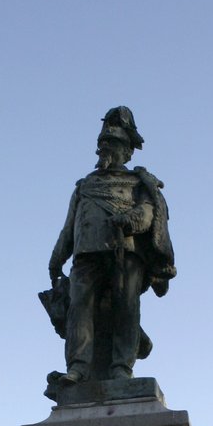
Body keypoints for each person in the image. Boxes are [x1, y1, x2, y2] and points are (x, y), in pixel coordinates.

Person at [47, 106, 175, 384]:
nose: (105, 148)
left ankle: (121, 368)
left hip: (125, 253)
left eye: (113, 144)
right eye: (102, 143)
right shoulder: (84, 185)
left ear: (127, 152)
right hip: (86, 253)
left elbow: (148, 211)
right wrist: (57, 258)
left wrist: (131, 220)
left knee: (125, 308)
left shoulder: (138, 183)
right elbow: (69, 226)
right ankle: (78, 367)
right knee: (79, 308)